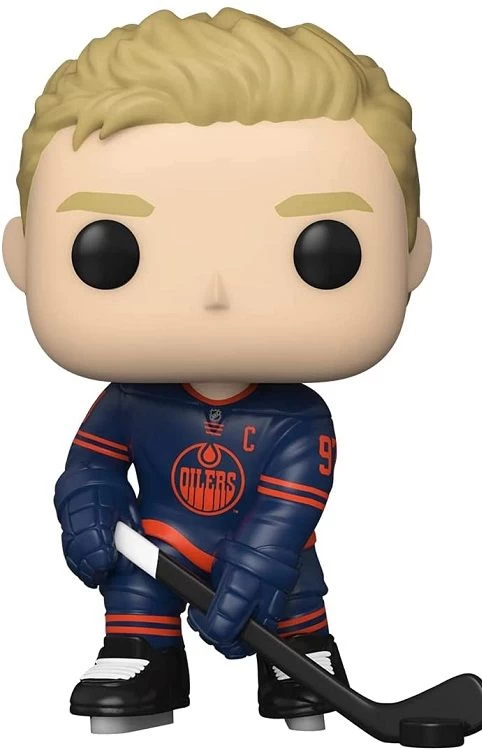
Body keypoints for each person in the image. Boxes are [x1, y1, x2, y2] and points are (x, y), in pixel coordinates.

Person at [2, 7, 431, 733]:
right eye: (109, 250)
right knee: (132, 583)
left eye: (324, 250)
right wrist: (89, 508)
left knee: (292, 588)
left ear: (409, 257)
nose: (216, 294)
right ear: (22, 256)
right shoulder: (129, 401)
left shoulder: (297, 421)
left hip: (269, 556)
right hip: (156, 545)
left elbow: (287, 510)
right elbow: (91, 465)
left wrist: (256, 567)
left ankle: (300, 655)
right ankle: (142, 651)